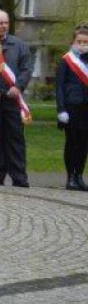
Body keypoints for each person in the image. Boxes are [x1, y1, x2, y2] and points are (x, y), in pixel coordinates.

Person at [0, 9, 32, 187]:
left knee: (15, 138)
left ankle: (19, 175)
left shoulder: (19, 45)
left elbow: (26, 69)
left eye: (5, 23)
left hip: (12, 99)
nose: (3, 26)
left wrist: (18, 87)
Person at [55, 25, 88, 191]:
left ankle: (80, 176)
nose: (82, 44)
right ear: (73, 42)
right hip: (71, 108)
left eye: (85, 42)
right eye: (79, 41)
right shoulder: (66, 61)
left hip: (86, 109)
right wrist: (61, 109)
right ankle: (70, 178)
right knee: (72, 143)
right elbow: (59, 87)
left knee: (84, 144)